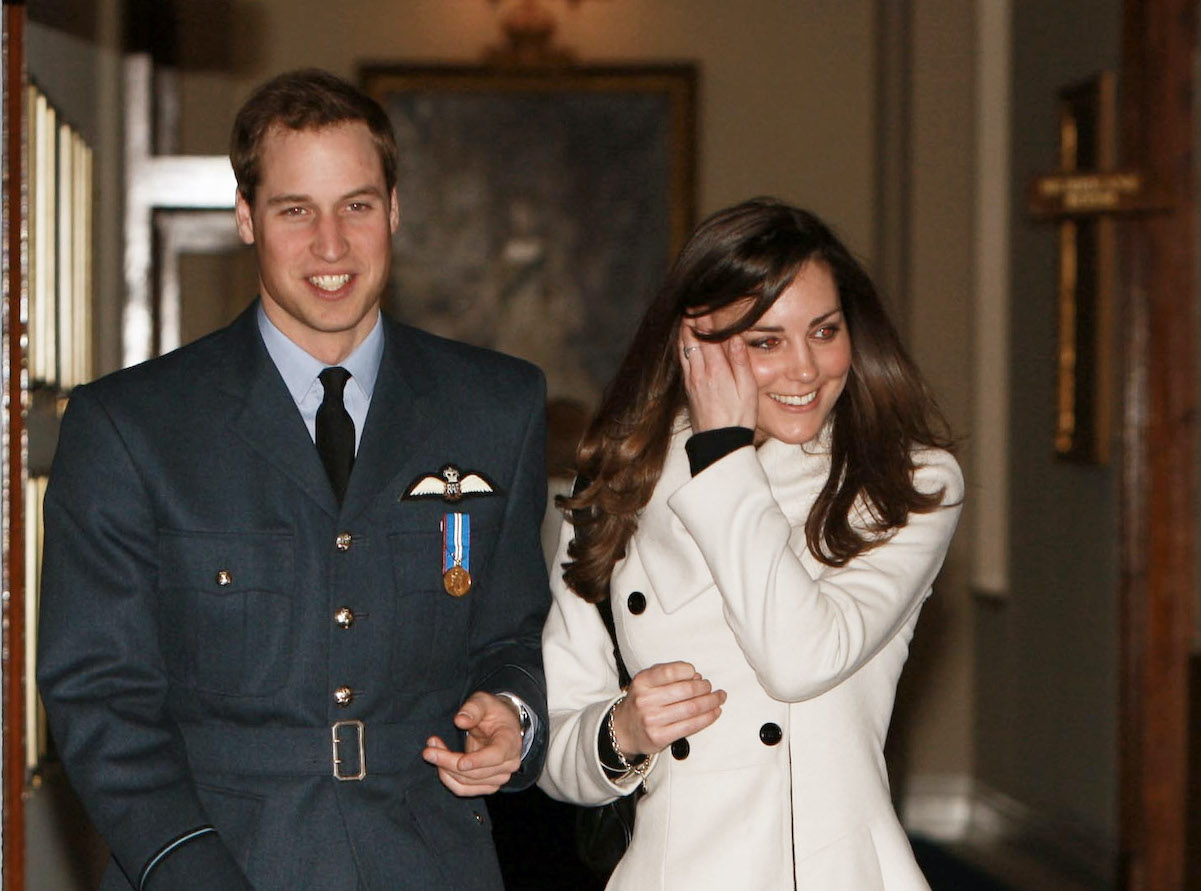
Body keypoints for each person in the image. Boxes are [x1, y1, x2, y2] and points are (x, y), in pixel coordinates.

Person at [37, 69, 550, 891]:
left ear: (395, 209)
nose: (331, 246)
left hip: (429, 860)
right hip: (217, 862)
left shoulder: (497, 405)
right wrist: (189, 870)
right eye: (294, 210)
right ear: (246, 218)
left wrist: (512, 715)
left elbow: (515, 630)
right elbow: (101, 695)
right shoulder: (131, 426)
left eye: (356, 204)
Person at [538, 197, 963, 889]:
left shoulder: (907, 482)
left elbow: (798, 658)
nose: (804, 368)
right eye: (766, 341)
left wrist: (722, 453)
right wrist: (620, 732)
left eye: (824, 331)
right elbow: (560, 744)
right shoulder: (616, 482)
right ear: (695, 342)